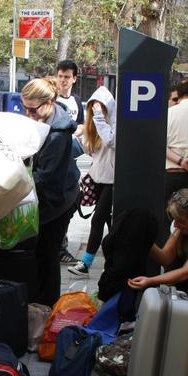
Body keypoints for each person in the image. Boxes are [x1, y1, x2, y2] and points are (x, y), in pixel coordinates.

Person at [21, 77, 79, 306]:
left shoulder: (58, 134)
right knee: (42, 255)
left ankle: (46, 308)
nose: (28, 114)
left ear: (50, 102)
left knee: (48, 256)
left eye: (33, 109)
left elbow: (45, 176)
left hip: (57, 202)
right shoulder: (47, 118)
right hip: (50, 197)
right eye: (25, 108)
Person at [69, 85, 116, 276]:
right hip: (99, 179)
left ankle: (88, 262)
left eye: (102, 107)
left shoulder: (112, 124)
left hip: (113, 181)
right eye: (94, 108)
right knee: (106, 222)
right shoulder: (94, 127)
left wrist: (99, 118)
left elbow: (111, 141)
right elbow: (90, 150)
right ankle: (112, 261)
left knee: (100, 221)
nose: (97, 111)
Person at [127, 189, 188, 298]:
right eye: (173, 219)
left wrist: (150, 281)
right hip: (179, 292)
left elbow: (186, 272)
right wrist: (145, 239)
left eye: (181, 221)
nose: (175, 225)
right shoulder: (178, 228)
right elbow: (166, 259)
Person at [54, 59, 83, 265]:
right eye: (60, 76)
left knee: (73, 200)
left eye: (67, 77)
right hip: (54, 161)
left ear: (74, 79)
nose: (63, 81)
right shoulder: (51, 99)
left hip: (70, 162)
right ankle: (58, 246)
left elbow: (81, 125)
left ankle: (60, 241)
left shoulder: (77, 101)